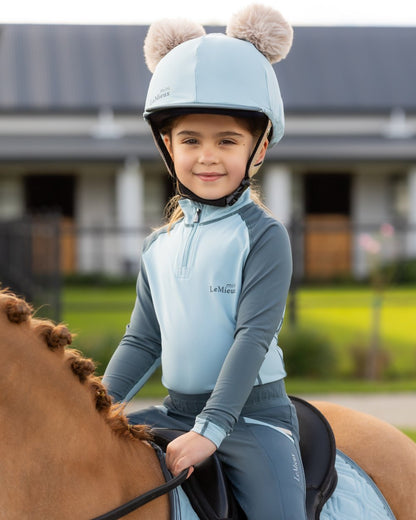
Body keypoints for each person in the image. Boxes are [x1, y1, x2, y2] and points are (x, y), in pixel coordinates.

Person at [103, 4, 307, 519]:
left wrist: (209, 431)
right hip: (174, 410)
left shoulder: (264, 237)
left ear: (257, 150)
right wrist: (95, 407)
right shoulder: (158, 247)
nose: (207, 156)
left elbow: (251, 339)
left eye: (227, 141)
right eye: (190, 140)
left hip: (251, 419)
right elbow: (143, 340)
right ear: (167, 146)